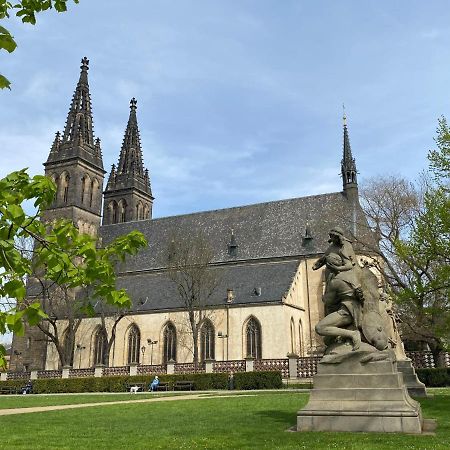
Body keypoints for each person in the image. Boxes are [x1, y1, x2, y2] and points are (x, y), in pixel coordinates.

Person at [313, 227, 363, 350]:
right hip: (351, 307)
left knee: (321, 328)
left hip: (346, 311)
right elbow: (326, 257)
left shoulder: (337, 280)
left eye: (334, 236)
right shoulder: (348, 276)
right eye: (331, 236)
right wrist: (320, 263)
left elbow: (328, 302)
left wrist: (324, 296)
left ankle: (352, 334)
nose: (332, 239)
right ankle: (345, 337)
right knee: (328, 340)